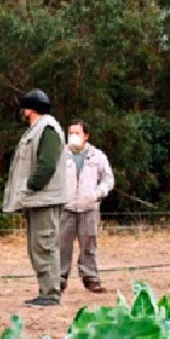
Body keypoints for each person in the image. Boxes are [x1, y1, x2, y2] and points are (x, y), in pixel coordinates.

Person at [2, 89, 67, 307]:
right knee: (38, 247)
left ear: (30, 109)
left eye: (24, 109)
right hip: (36, 199)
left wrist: (31, 186)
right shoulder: (36, 129)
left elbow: (47, 164)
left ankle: (50, 294)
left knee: (44, 245)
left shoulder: (47, 128)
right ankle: (45, 291)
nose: (22, 113)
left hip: (44, 199)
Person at [60, 120, 114, 294]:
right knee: (61, 245)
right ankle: (59, 279)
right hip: (65, 208)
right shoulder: (60, 155)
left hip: (89, 208)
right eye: (71, 133)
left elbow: (108, 179)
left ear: (86, 136)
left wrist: (97, 193)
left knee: (89, 245)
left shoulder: (98, 156)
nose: (73, 136)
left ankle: (91, 279)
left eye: (77, 133)